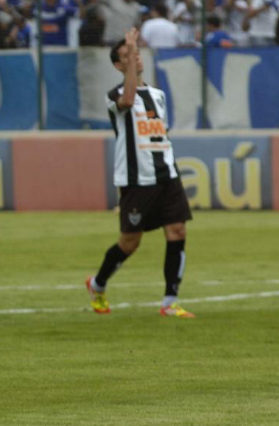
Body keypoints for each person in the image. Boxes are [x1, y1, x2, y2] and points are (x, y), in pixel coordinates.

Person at [85, 29, 195, 318]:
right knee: (130, 243)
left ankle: (169, 301)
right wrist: (133, 55)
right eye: (127, 56)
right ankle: (97, 284)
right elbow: (128, 99)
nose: (135, 58)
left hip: (167, 174)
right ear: (118, 66)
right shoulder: (116, 96)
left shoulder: (158, 95)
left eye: (136, 53)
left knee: (178, 231)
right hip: (136, 180)